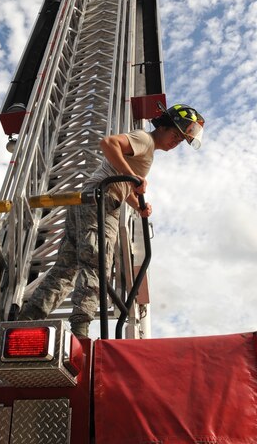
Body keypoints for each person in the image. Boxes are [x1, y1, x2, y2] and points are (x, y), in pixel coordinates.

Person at [18, 103, 205, 338]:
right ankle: (81, 326)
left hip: (88, 199)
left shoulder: (146, 149)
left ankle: (27, 318)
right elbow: (109, 144)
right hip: (102, 203)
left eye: (181, 141)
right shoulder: (144, 140)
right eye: (175, 135)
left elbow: (122, 183)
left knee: (66, 268)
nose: (175, 142)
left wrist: (139, 206)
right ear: (164, 126)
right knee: (97, 263)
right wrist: (133, 176)